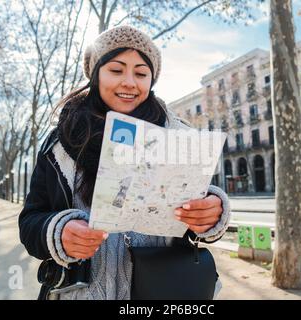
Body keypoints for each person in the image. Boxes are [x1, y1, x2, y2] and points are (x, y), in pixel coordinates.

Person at [19, 25, 231, 300]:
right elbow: (30, 221)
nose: (130, 82)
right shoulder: (58, 144)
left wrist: (211, 213)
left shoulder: (180, 138)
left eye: (141, 73)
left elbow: (197, 214)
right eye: (116, 70)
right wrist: (58, 233)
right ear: (96, 75)